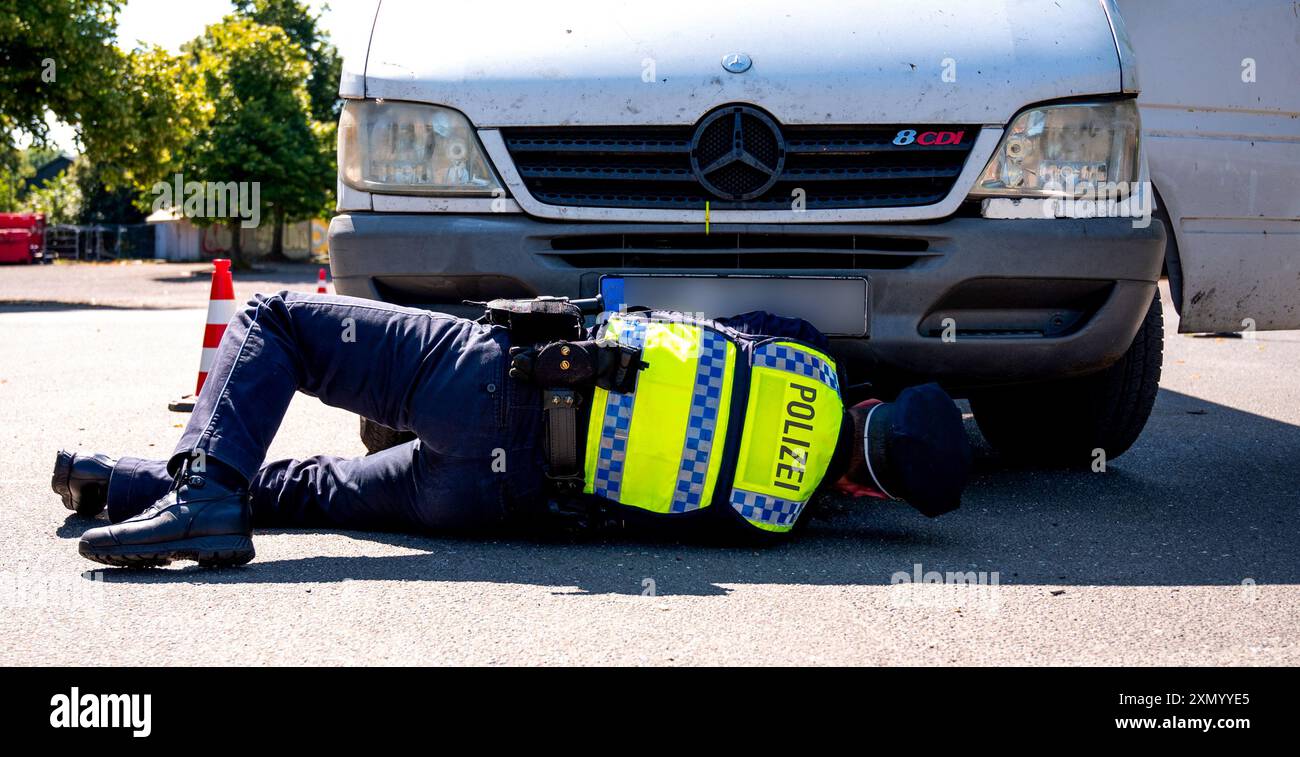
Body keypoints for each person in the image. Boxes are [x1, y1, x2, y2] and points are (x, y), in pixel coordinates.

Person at [51, 291, 972, 568]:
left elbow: (677, 325)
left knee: (277, 323)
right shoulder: (780, 516)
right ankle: (123, 483)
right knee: (315, 489)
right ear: (864, 487)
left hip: (498, 381)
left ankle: (199, 492)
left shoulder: (805, 355)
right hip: (493, 498)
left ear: (869, 404)